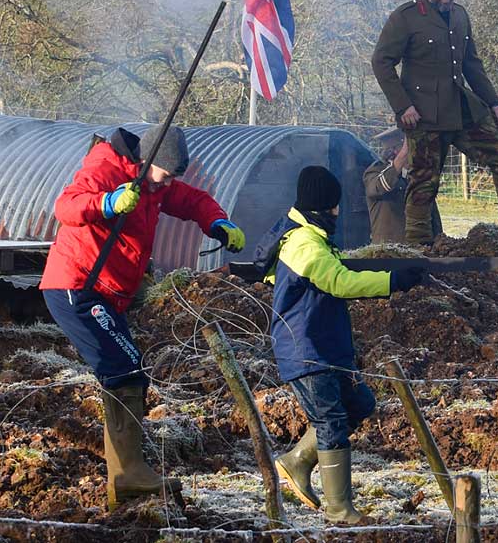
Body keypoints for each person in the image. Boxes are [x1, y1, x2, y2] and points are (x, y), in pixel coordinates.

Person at [37, 125, 246, 509]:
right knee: (125, 368)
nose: (168, 183)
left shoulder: (155, 185)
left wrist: (216, 221)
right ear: (148, 161)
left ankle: (125, 476)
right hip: (78, 286)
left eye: (173, 177)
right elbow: (65, 206)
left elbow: (193, 200)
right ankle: (128, 472)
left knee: (125, 370)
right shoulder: (106, 168)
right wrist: (107, 203)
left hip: (106, 293)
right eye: (166, 173)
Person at [258, 166, 424, 523]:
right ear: (320, 206)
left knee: (359, 404)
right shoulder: (304, 244)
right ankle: (339, 509)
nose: (337, 213)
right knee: (331, 421)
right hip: (306, 352)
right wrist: (391, 281)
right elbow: (339, 282)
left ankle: (297, 461)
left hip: (326, 348)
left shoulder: (311, 237)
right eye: (333, 207)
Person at [370, 0, 498, 244]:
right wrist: (403, 106)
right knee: (424, 183)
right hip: (423, 116)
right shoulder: (405, 18)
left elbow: (471, 64)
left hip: (461, 110)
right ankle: (418, 247)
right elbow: (381, 62)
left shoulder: (460, 15)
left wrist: (493, 101)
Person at [362, 129, 442, 243]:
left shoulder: (418, 175)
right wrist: (404, 153)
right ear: (394, 151)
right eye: (414, 148)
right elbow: (379, 187)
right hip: (389, 254)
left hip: (421, 250)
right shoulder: (375, 171)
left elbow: (432, 215)